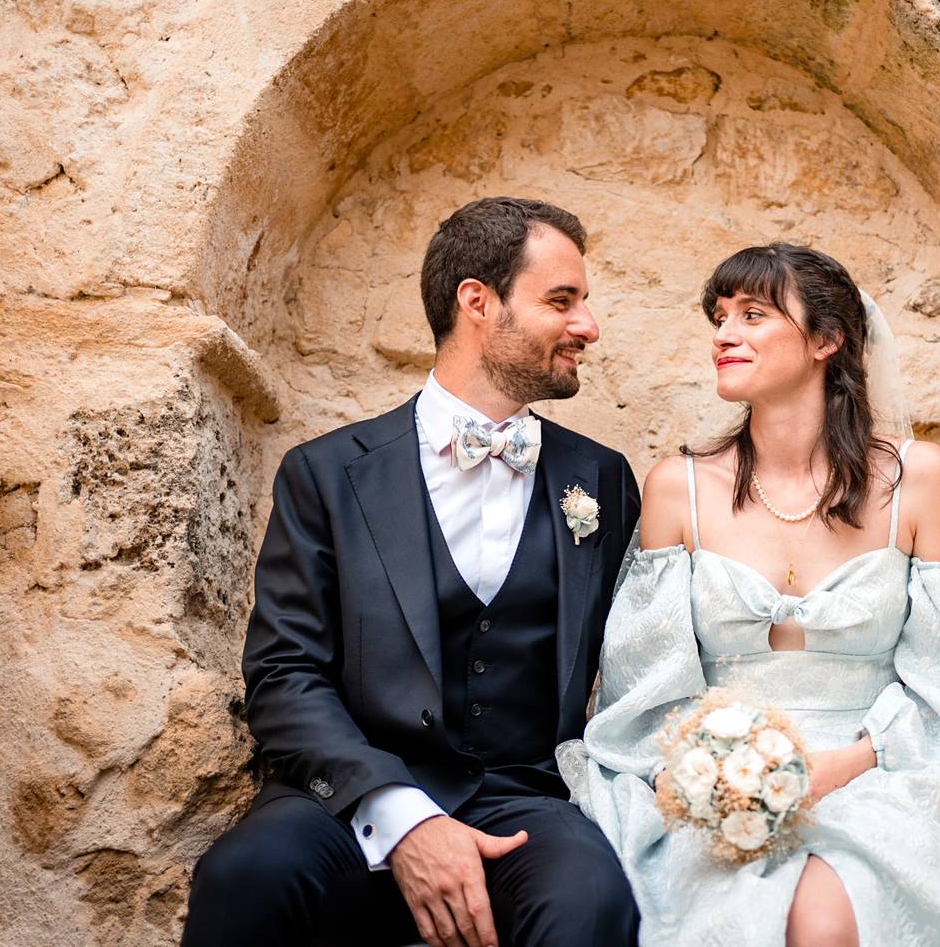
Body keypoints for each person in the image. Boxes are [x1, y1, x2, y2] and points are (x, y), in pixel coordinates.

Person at [557, 242, 940, 946]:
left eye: (753, 314)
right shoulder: (677, 486)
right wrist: (711, 774)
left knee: (832, 910)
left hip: (884, 763)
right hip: (725, 779)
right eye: (719, 317)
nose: (724, 334)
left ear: (827, 338)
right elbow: (648, 684)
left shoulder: (919, 478)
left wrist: (846, 762)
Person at [182, 197, 641, 947]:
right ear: (477, 303)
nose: (587, 326)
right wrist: (401, 816)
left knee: (592, 900)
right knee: (248, 874)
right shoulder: (328, 475)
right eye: (563, 301)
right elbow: (283, 675)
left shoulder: (602, 480)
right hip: (348, 802)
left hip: (523, 802)